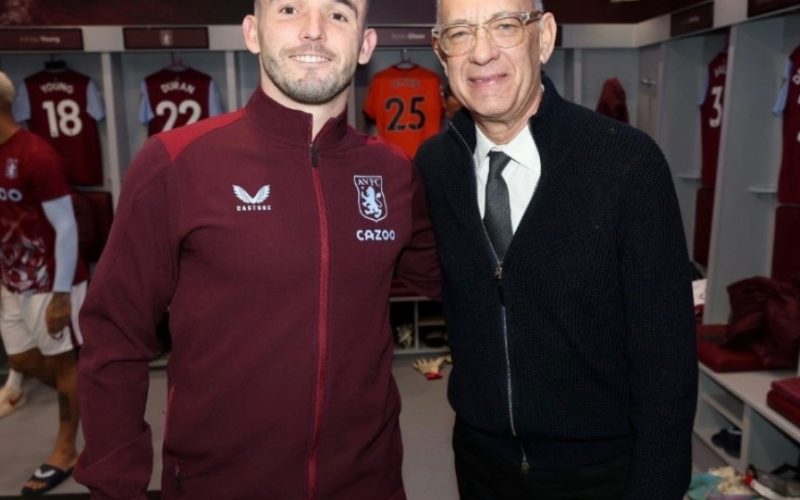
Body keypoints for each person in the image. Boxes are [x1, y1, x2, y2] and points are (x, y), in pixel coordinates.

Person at [74, 0, 440, 498]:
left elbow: (464, 282)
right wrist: (114, 487)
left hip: (368, 482)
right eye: (289, 8)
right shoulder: (176, 162)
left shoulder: (393, 172)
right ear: (252, 33)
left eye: (338, 14)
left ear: (365, 45)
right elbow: (114, 337)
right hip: (218, 485)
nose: (313, 30)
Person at [415, 0, 698, 498]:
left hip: (599, 473)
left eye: (504, 26)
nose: (481, 52)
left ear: (543, 36)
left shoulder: (626, 163)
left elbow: (666, 358)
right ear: (441, 53)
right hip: (480, 462)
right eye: (459, 33)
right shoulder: (436, 165)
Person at [0, 70, 87, 496]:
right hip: (12, 282)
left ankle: (65, 450)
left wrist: (61, 295)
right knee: (21, 359)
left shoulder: (36, 155)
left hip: (51, 281)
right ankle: (95, 394)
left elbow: (66, 228)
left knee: (65, 365)